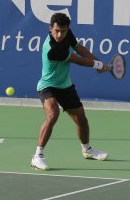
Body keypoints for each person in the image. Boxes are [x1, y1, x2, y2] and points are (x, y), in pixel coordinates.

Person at [31, 12, 109, 170]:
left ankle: (87, 150)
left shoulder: (67, 34)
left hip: (65, 85)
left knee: (81, 119)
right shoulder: (52, 48)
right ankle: (37, 156)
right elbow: (77, 60)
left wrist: (99, 61)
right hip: (48, 86)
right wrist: (98, 66)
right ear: (50, 29)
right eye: (57, 31)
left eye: (63, 31)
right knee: (53, 114)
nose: (60, 35)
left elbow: (80, 48)